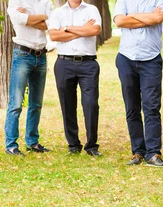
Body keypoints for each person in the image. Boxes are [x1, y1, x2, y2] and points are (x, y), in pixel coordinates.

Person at [113, 0, 163, 166]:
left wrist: (132, 16)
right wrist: (149, 17)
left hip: (151, 59)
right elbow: (119, 21)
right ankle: (138, 151)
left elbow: (158, 19)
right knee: (132, 107)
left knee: (151, 106)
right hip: (126, 58)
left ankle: (153, 153)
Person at [48, 0, 102, 156]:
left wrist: (67, 29)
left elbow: (94, 30)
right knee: (67, 105)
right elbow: (53, 35)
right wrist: (82, 29)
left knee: (91, 104)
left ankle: (91, 145)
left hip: (88, 64)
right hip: (64, 63)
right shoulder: (58, 12)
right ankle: (73, 145)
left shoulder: (92, 9)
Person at [4, 0, 53, 156]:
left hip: (41, 56)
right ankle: (11, 145)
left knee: (36, 103)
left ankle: (32, 142)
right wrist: (42, 18)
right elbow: (19, 20)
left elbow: (50, 25)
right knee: (16, 103)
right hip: (23, 55)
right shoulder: (16, 1)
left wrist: (30, 18)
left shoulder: (46, 1)